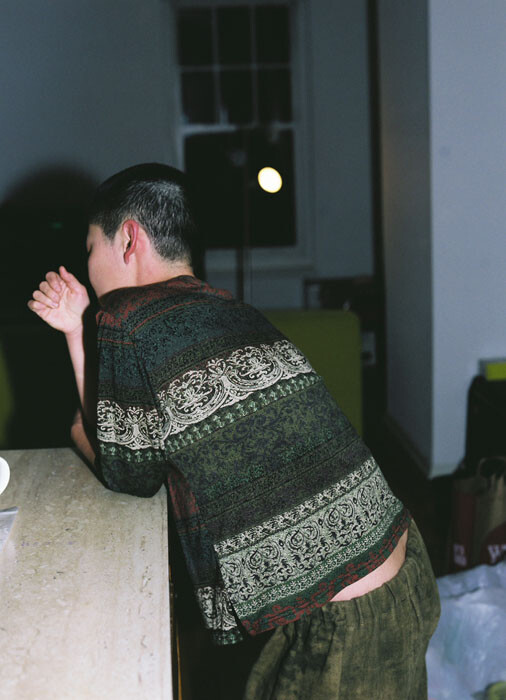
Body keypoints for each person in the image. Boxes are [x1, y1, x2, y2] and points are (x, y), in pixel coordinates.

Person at [28, 163, 440, 698]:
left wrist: (75, 397)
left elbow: (125, 473)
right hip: (395, 568)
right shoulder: (226, 308)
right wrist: (78, 331)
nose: (88, 267)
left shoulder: (129, 317)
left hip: (350, 622)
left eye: (89, 249)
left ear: (128, 240)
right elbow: (133, 434)